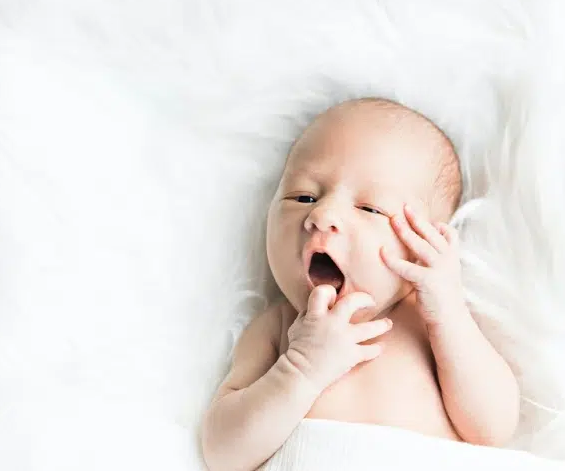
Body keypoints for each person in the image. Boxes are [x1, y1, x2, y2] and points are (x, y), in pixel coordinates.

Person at [201, 98, 520, 471]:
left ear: (423, 247)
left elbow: (493, 428)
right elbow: (224, 454)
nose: (322, 215)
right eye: (302, 197)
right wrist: (300, 370)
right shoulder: (279, 329)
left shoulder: (430, 327)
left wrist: (450, 312)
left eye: (370, 209)